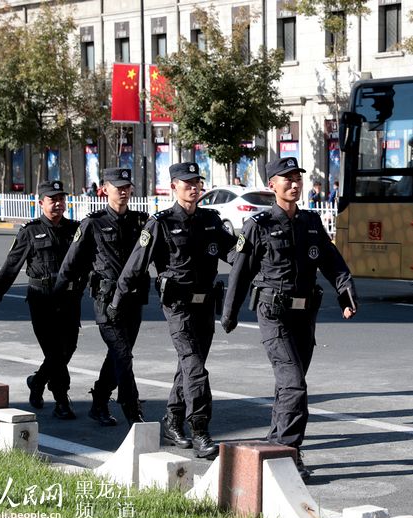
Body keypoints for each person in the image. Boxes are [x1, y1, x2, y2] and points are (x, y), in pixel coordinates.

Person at [221, 156, 358, 480]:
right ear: (272, 185)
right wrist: (229, 314)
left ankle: (274, 446)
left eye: (297, 178)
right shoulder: (259, 226)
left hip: (304, 317)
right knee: (294, 384)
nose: (294, 183)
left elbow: (333, 263)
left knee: (288, 387)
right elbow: (240, 273)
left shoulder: (311, 222)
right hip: (274, 315)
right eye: (287, 178)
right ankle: (288, 454)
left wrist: (345, 294)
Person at [109, 162, 236, 458]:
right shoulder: (161, 223)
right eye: (187, 183)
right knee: (194, 366)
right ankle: (201, 430)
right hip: (178, 307)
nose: (193, 188)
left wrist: (255, 263)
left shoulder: (211, 220)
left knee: (188, 366)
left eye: (197, 183)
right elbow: (135, 264)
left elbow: (232, 253)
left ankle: (173, 420)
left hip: (206, 305)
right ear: (173, 187)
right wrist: (117, 300)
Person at [54, 168, 149, 426]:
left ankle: (99, 402)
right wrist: (57, 297)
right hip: (106, 301)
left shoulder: (141, 222)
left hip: (133, 299)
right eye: (117, 186)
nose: (123, 190)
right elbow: (70, 264)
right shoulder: (93, 224)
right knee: (122, 355)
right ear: (104, 189)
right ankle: (132, 409)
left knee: (120, 354)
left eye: (127, 186)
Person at [0, 180, 83, 420]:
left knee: (67, 348)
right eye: (53, 200)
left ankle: (37, 381)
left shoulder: (75, 230)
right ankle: (62, 400)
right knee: (55, 352)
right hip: (42, 301)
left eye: (61, 199)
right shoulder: (30, 231)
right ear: (41, 203)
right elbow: (11, 265)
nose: (58, 204)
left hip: (69, 299)